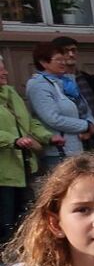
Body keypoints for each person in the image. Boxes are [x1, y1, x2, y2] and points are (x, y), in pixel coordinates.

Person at [0, 56, 51, 243]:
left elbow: (28, 123)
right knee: (5, 221)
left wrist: (47, 136)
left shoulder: (11, 95)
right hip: (3, 171)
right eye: (1, 69)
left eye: (4, 67)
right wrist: (13, 140)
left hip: (23, 166)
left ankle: (18, 259)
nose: (5, 72)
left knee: (24, 218)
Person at [25, 42, 94, 173]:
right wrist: (85, 125)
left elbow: (83, 105)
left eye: (63, 59)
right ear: (44, 63)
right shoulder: (38, 85)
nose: (63, 63)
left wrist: (91, 122)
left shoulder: (66, 82)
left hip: (77, 147)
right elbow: (52, 118)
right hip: (59, 150)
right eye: (58, 60)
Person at [51, 36, 94, 136]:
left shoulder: (87, 78)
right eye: (66, 51)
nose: (71, 54)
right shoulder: (53, 82)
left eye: (73, 50)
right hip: (71, 134)